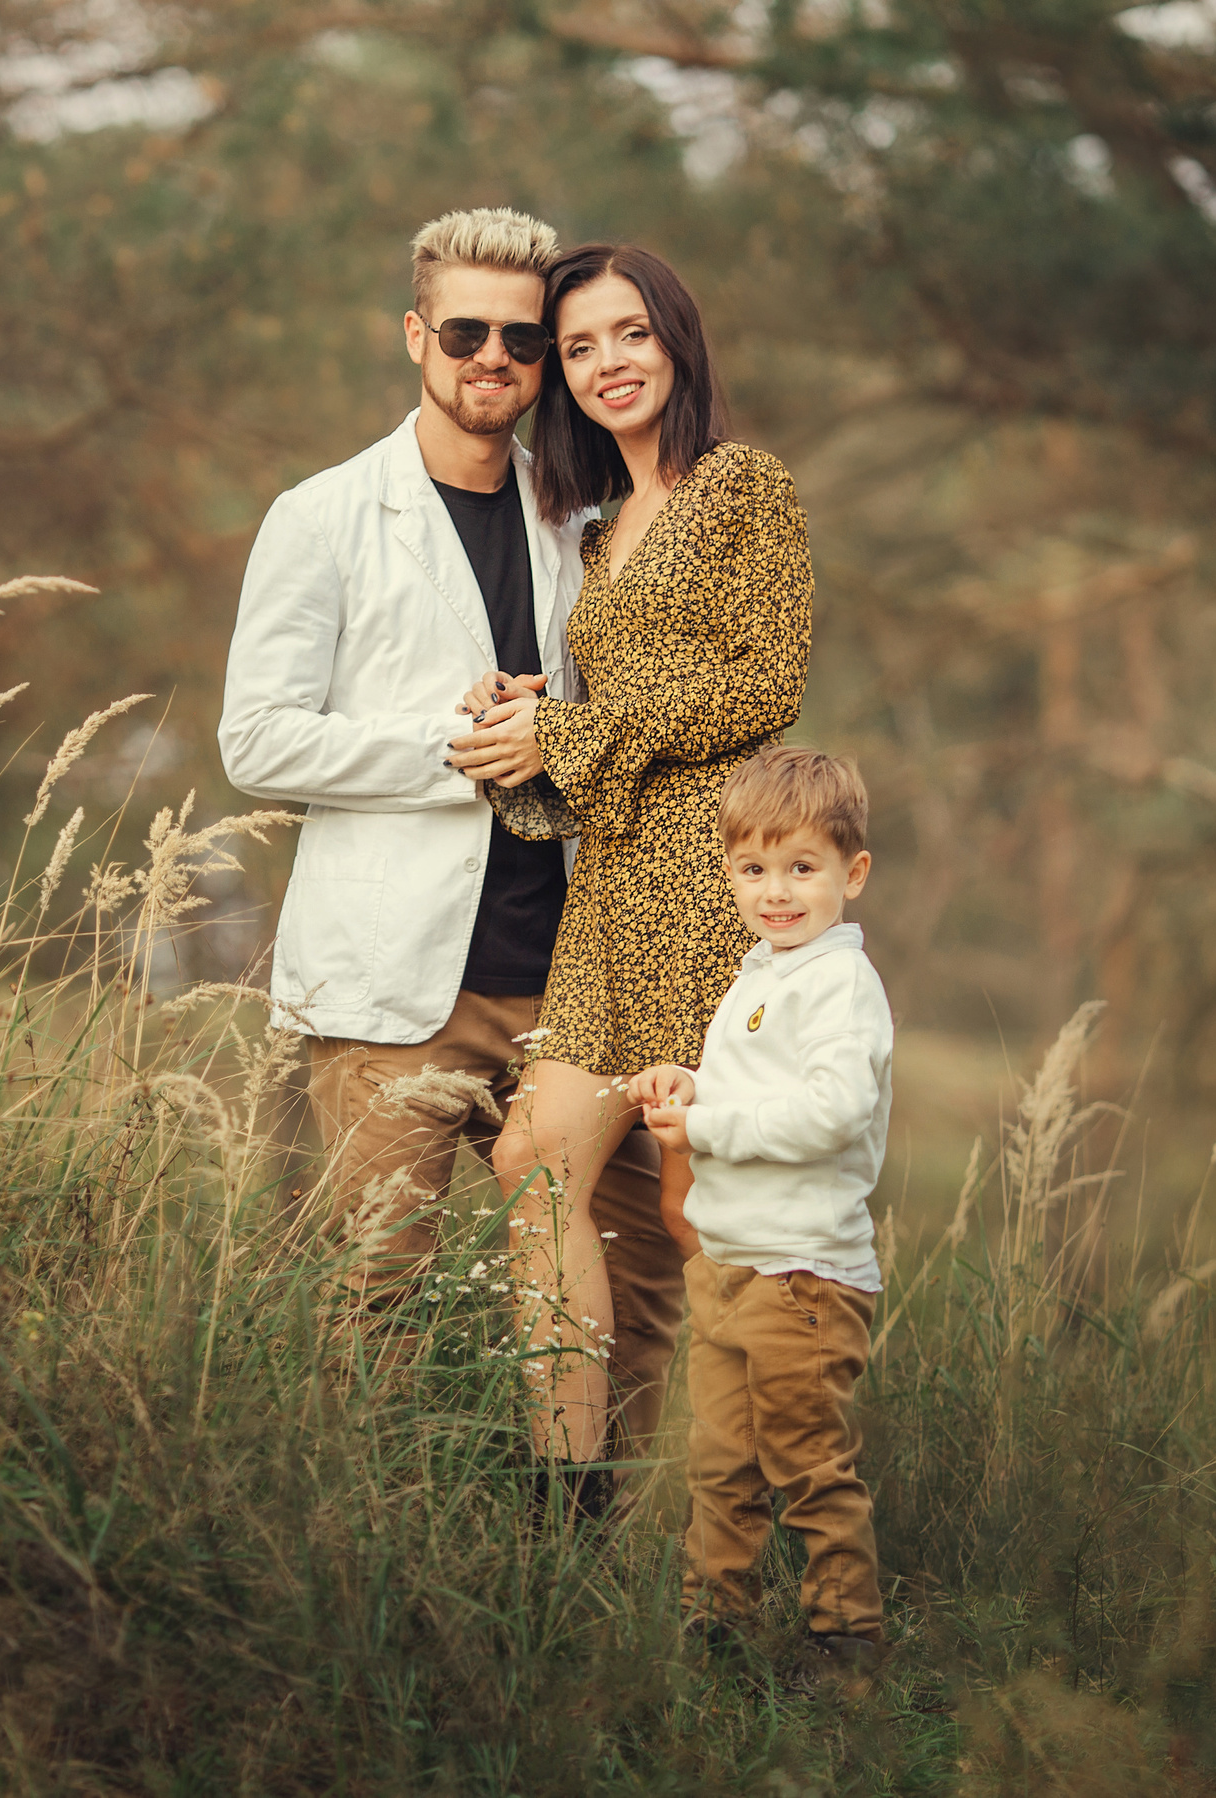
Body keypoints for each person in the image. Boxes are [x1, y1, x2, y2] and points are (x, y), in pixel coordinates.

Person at [217, 211, 685, 1476]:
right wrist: (452, 747)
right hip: (392, 993)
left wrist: (563, 735)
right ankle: (371, 1556)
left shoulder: (581, 521)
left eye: (522, 340)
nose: (494, 358)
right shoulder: (319, 517)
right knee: (377, 1296)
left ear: (545, 361)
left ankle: (593, 1554)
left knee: (638, 1276)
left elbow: (622, 723)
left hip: (577, 981)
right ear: (416, 335)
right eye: (466, 331)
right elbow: (254, 741)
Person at [445, 244, 812, 1470]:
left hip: (707, 891)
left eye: (630, 334)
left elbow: (765, 683)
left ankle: (767, 1521)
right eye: (583, 345)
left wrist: (579, 730)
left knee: (708, 1212)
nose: (607, 364)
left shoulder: (740, 487)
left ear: (676, 341)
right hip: (602, 897)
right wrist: (527, 736)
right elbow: (609, 731)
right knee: (532, 1161)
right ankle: (571, 1500)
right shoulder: (599, 532)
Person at [629, 745, 891, 1674]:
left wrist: (709, 1121)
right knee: (719, 1467)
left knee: (809, 1467)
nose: (776, 891)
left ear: (852, 873)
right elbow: (755, 1089)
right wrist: (686, 1082)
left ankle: (845, 1639)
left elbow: (833, 1109)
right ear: (729, 870)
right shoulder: (762, 974)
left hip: (802, 1276)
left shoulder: (838, 984)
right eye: (754, 869)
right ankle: (717, 1630)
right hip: (733, 1267)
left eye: (802, 868)